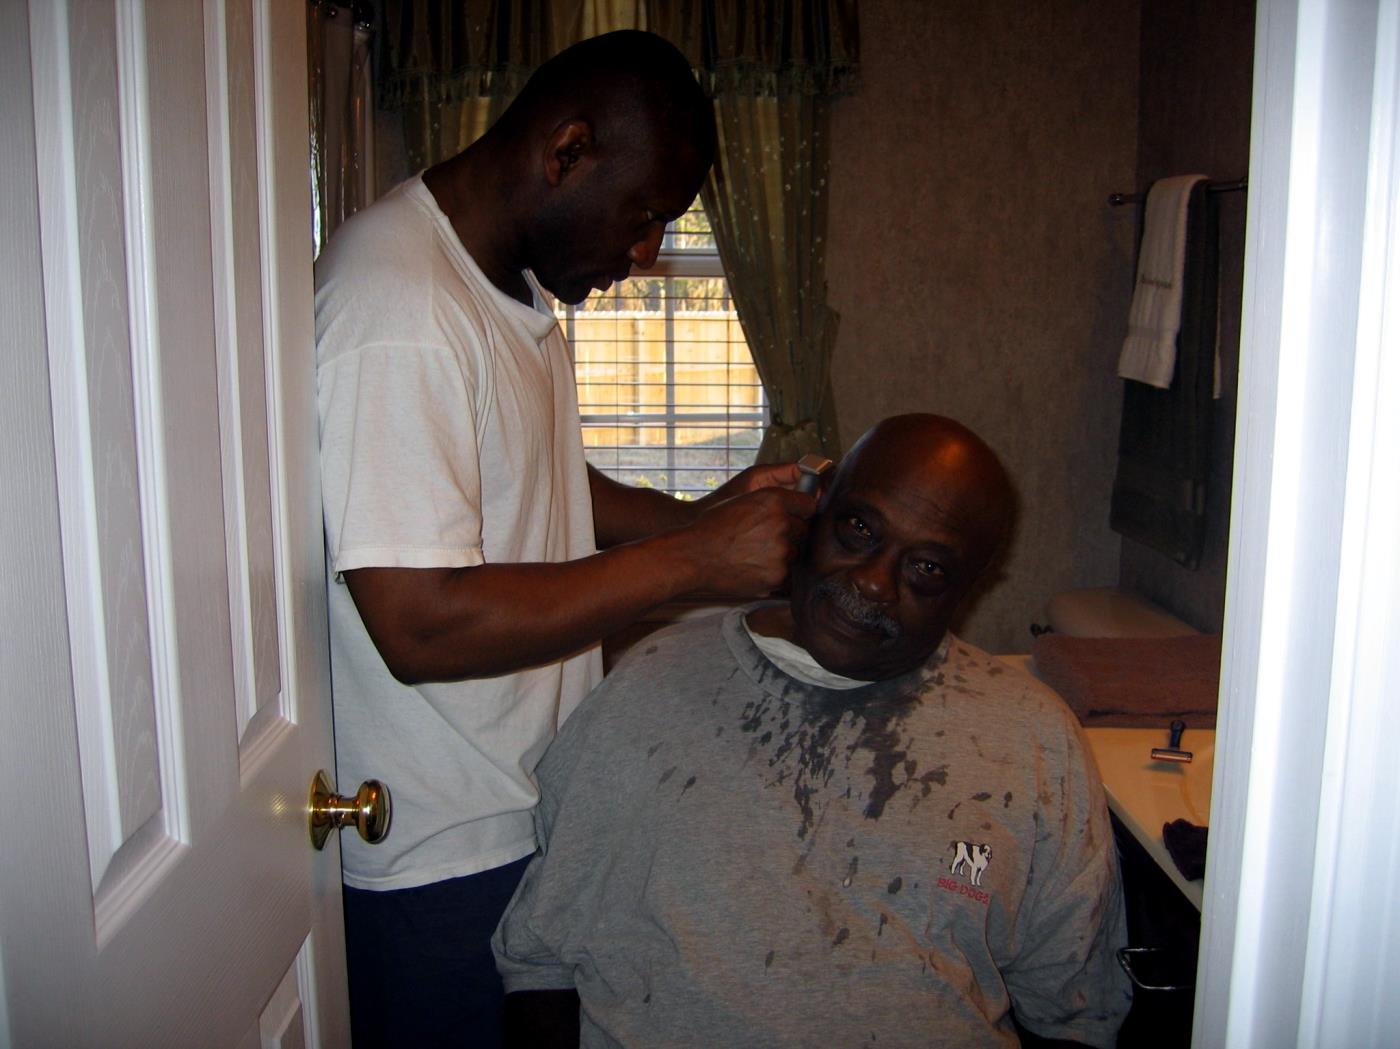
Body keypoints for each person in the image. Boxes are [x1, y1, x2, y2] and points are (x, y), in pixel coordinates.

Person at [314, 30, 815, 1048]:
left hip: (527, 806)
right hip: (440, 855)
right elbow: (419, 623)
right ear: (567, 150)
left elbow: (539, 480)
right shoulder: (398, 305)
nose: (648, 252)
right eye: (644, 215)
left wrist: (703, 517)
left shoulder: (503, 287)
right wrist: (692, 561)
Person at [493, 414, 1133, 1049]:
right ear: (811, 512)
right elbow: (539, 964)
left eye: (927, 568)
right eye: (860, 530)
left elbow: (1075, 1014)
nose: (874, 582)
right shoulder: (651, 690)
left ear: (969, 588)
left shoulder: (1031, 741)